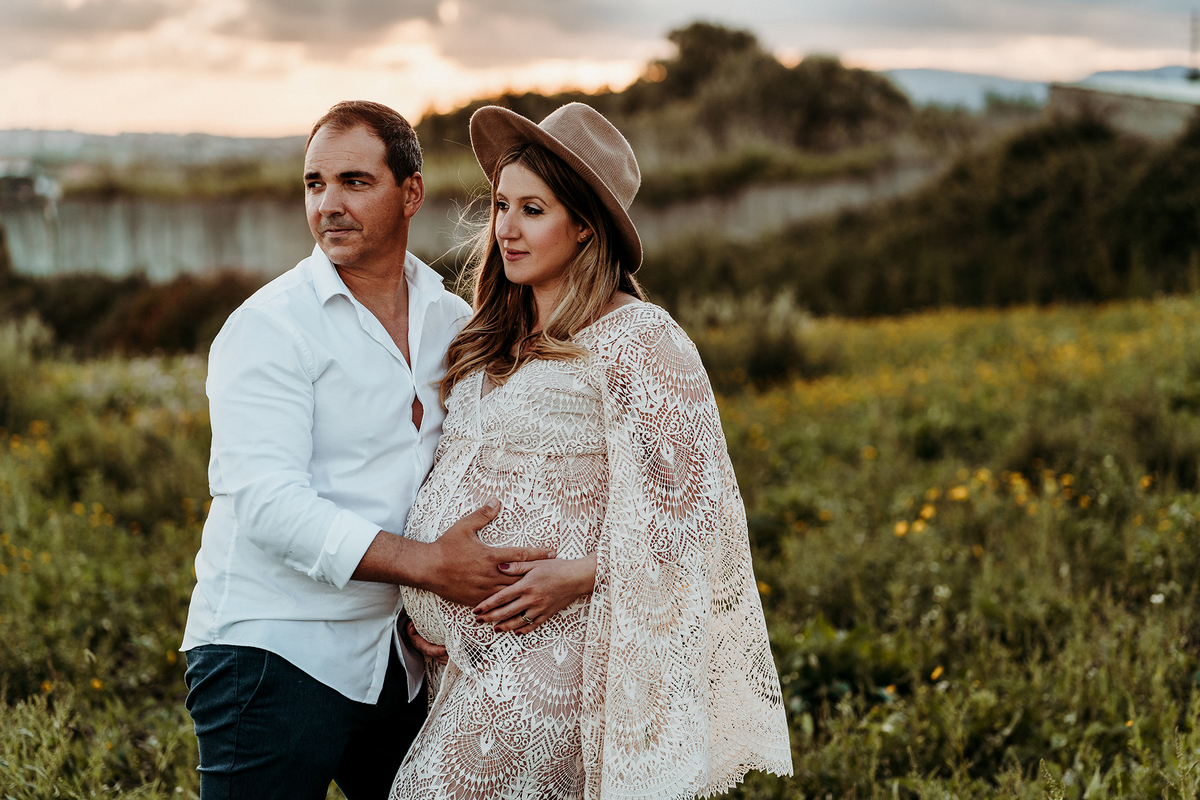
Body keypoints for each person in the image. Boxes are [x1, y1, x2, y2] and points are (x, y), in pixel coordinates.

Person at [391, 102, 792, 800]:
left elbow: (700, 523)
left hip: (565, 652)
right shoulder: (488, 342)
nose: (506, 229)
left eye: (533, 210)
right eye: (501, 205)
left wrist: (576, 576)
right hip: (469, 659)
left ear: (582, 225)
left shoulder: (642, 338)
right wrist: (425, 597)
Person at [179, 100, 559, 800]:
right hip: (271, 651)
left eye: (354, 181)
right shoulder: (268, 327)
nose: (328, 204)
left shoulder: (453, 320)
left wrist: (428, 609)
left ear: (409, 193)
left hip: (397, 659)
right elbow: (268, 506)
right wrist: (428, 570)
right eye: (314, 183)